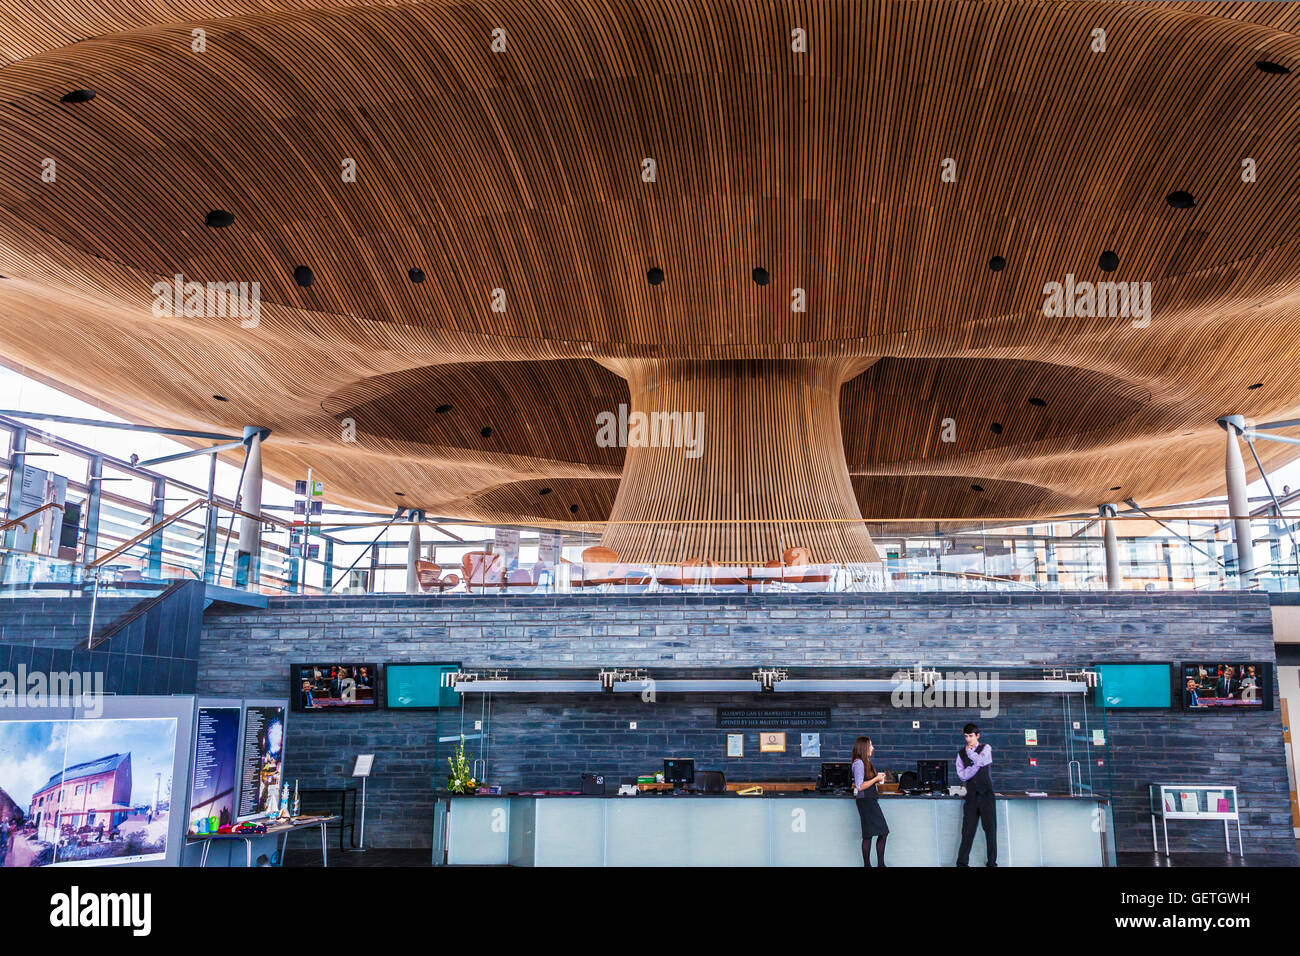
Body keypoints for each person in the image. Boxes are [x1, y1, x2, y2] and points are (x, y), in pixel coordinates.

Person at [954, 723, 996, 867]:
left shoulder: (986, 748)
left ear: (977, 735)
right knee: (967, 832)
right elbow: (963, 776)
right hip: (971, 797)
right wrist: (976, 765)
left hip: (987, 796)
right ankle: (962, 864)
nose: (968, 739)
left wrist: (972, 756)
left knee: (990, 831)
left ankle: (991, 863)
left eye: (971, 736)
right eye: (966, 736)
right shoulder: (960, 754)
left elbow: (982, 760)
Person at [850, 736, 889, 867]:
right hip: (866, 801)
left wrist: (879, 778)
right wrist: (875, 779)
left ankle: (877, 865)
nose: (873, 748)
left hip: (870, 799)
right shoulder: (859, 763)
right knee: (875, 833)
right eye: (871, 745)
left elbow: (869, 781)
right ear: (864, 747)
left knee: (873, 834)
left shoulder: (866, 762)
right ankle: (875, 865)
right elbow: (859, 786)